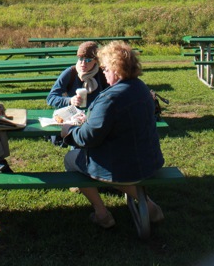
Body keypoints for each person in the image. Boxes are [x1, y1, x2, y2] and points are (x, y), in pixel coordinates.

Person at [60, 40, 165, 229]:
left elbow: (88, 138)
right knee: (121, 168)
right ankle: (149, 206)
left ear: (116, 70)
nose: (103, 72)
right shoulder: (141, 88)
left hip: (123, 165)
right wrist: (91, 120)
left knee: (71, 159)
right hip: (149, 160)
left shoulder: (109, 98)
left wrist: (69, 131)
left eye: (106, 69)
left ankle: (101, 213)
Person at [47, 41, 108, 109]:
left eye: (88, 60)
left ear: (96, 60)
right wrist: (70, 100)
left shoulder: (103, 74)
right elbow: (51, 98)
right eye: (81, 59)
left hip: (97, 112)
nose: (83, 63)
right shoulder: (71, 72)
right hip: (74, 113)